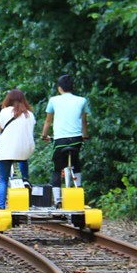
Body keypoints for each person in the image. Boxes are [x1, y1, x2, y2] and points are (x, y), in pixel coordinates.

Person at [40, 74, 90, 207]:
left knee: (57, 168)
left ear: (59, 88)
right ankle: (79, 189)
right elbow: (84, 121)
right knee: (76, 163)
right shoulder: (82, 100)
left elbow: (48, 121)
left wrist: (44, 135)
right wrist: (85, 135)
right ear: (72, 87)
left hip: (60, 140)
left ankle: (57, 199)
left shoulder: (54, 100)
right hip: (76, 139)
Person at [0, 89, 36, 209]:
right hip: (25, 149)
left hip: (7, 149)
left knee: (3, 179)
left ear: (9, 99)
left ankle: (1, 205)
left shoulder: (4, 112)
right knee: (23, 159)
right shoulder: (30, 114)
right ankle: (25, 178)